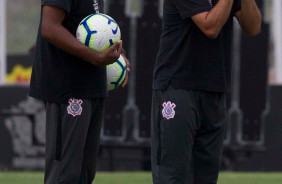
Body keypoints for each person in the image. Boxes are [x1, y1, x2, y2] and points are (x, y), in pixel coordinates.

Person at [151, 0, 261, 183]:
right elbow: (210, 27)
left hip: (214, 90)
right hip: (179, 87)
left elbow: (253, 27)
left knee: (206, 177)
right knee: (172, 177)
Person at [29, 0, 129, 183]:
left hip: (92, 85)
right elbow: (49, 27)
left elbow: (89, 24)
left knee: (84, 174)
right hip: (67, 88)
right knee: (64, 175)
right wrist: (95, 57)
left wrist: (115, 53)